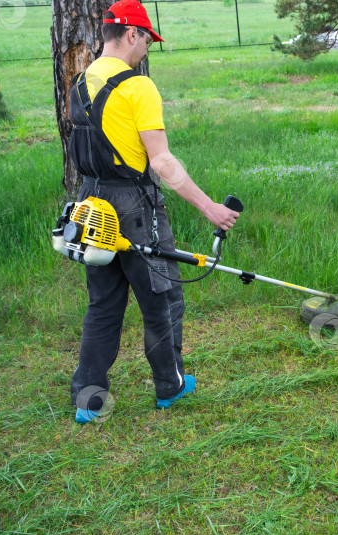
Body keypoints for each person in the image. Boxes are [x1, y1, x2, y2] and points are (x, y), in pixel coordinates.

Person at [67, 0, 239, 423]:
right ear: (131, 34)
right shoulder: (138, 86)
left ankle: (88, 398)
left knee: (103, 304)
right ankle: (170, 386)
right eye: (147, 39)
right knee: (162, 299)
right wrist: (209, 207)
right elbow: (161, 163)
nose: (147, 48)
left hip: (91, 205)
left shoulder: (80, 82)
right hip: (135, 207)